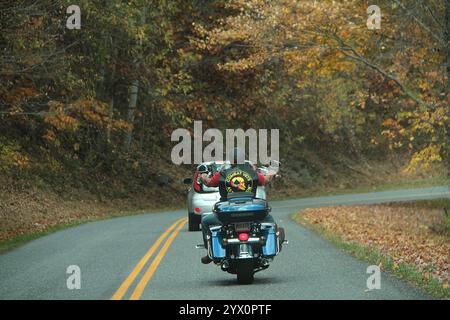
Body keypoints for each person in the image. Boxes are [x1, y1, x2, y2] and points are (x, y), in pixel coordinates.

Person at [199, 148, 283, 264]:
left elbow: (208, 182)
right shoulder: (253, 173)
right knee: (271, 222)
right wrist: (273, 169)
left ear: (230, 161)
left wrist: (202, 175)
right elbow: (266, 179)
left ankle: (209, 253)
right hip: (251, 212)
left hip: (227, 214)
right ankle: (274, 245)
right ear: (243, 159)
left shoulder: (222, 174)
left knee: (205, 221)